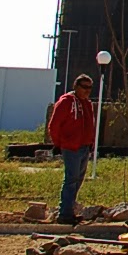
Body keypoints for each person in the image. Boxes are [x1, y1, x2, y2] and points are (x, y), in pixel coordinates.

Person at [48, 74, 95, 226]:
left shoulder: (87, 104)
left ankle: (70, 210)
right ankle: (64, 213)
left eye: (90, 88)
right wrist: (58, 143)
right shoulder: (66, 102)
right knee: (71, 179)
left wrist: (91, 142)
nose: (87, 91)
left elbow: (90, 125)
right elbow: (54, 125)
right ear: (76, 87)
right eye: (84, 87)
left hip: (84, 146)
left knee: (78, 180)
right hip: (71, 146)